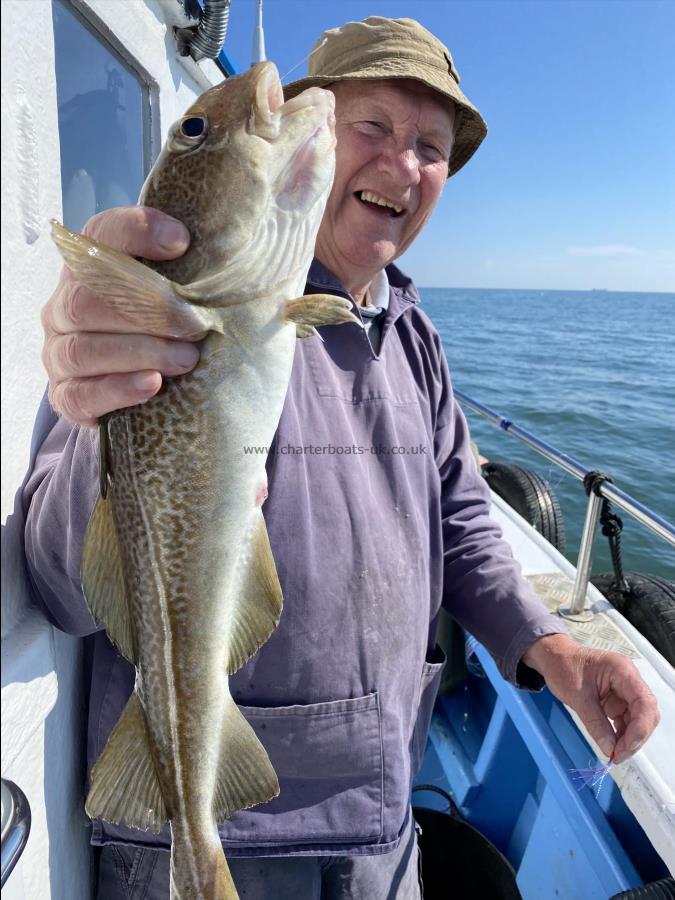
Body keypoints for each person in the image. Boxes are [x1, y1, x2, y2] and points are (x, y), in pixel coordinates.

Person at [23, 16, 659, 900]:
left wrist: (553, 649)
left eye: (430, 147)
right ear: (313, 134)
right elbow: (58, 581)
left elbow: (460, 517)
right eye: (374, 128)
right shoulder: (164, 316)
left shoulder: (413, 337)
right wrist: (99, 407)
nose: (402, 167)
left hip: (382, 825)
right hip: (215, 824)